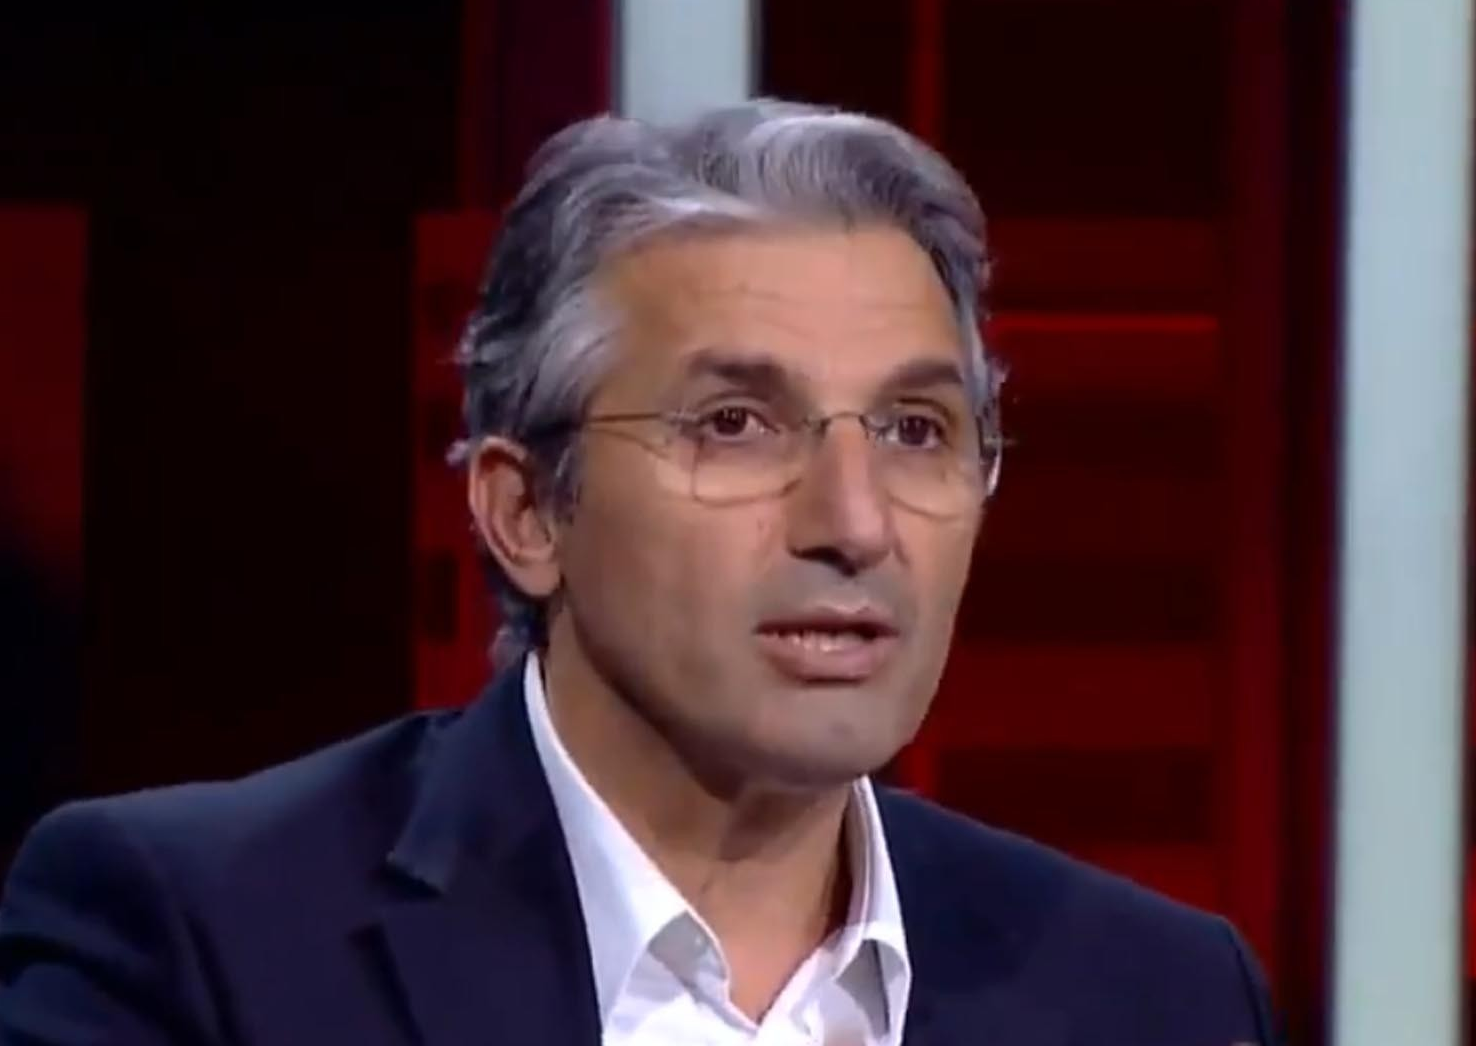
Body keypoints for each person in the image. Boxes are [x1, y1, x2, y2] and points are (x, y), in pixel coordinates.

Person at [0, 100, 1279, 1045]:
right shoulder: (201, 940)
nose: (854, 523)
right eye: (736, 423)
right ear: (526, 511)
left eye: (914, 430)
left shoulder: (1157, 996)